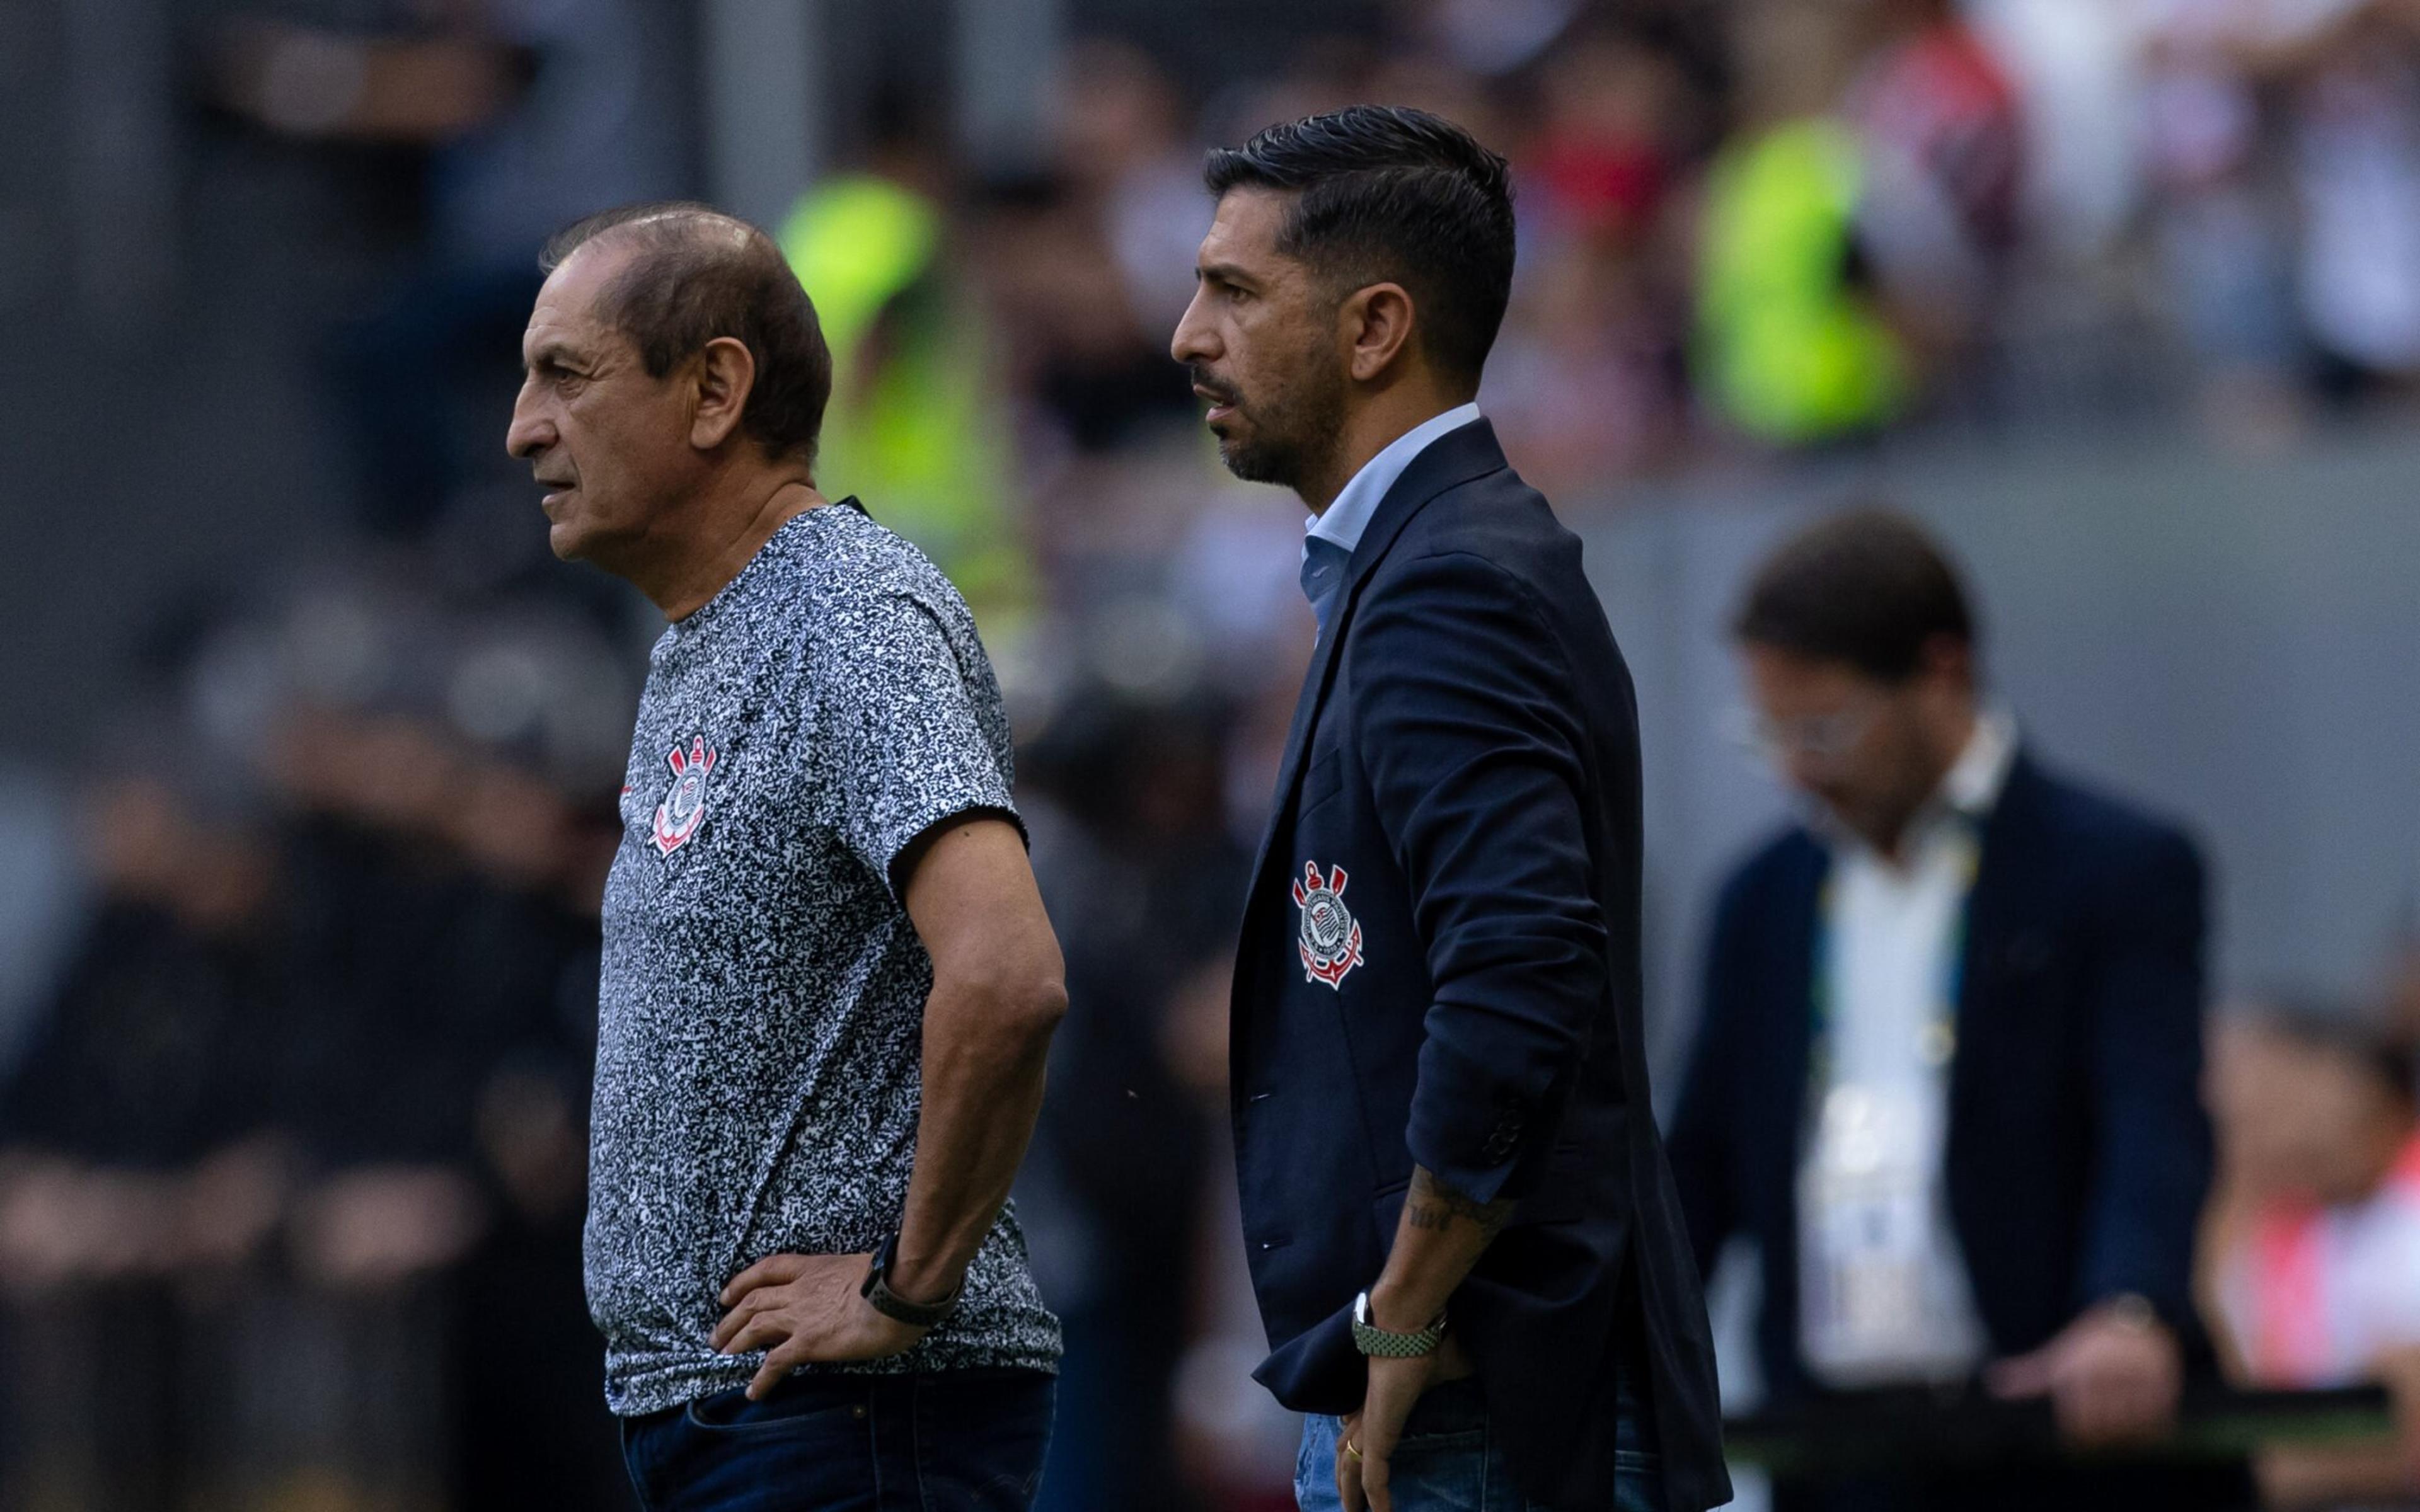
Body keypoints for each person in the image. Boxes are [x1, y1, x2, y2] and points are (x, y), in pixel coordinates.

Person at [1171, 105, 1730, 1512]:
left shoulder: (1451, 584)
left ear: (1374, 330)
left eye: (1235, 291)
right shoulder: (1426, 563)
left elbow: (1519, 974)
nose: (1186, 334)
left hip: (1476, 1404)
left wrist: (1406, 1310)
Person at [505, 202, 1069, 1511]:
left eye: (566, 376)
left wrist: (904, 1287)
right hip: (743, 1419)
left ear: (715, 390)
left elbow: (1009, 971)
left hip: (850, 1424)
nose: (523, 428)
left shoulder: (850, 618)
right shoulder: (711, 639)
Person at [1668, 508, 2243, 1510]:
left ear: (1940, 673)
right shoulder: (1758, 900)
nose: (1799, 768)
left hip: (2060, 1433)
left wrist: (2131, 1308)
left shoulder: (2114, 868)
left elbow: (2152, 1112)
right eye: (1772, 733)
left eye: (1827, 728)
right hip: (1840, 1450)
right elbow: (1702, 1163)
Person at [2204, 997, 2420, 1506]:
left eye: (2275, 1089)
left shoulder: (2405, 1209)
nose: (2247, 1115)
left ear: (2361, 1088)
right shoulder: (2279, 1219)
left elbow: (2396, 1435)